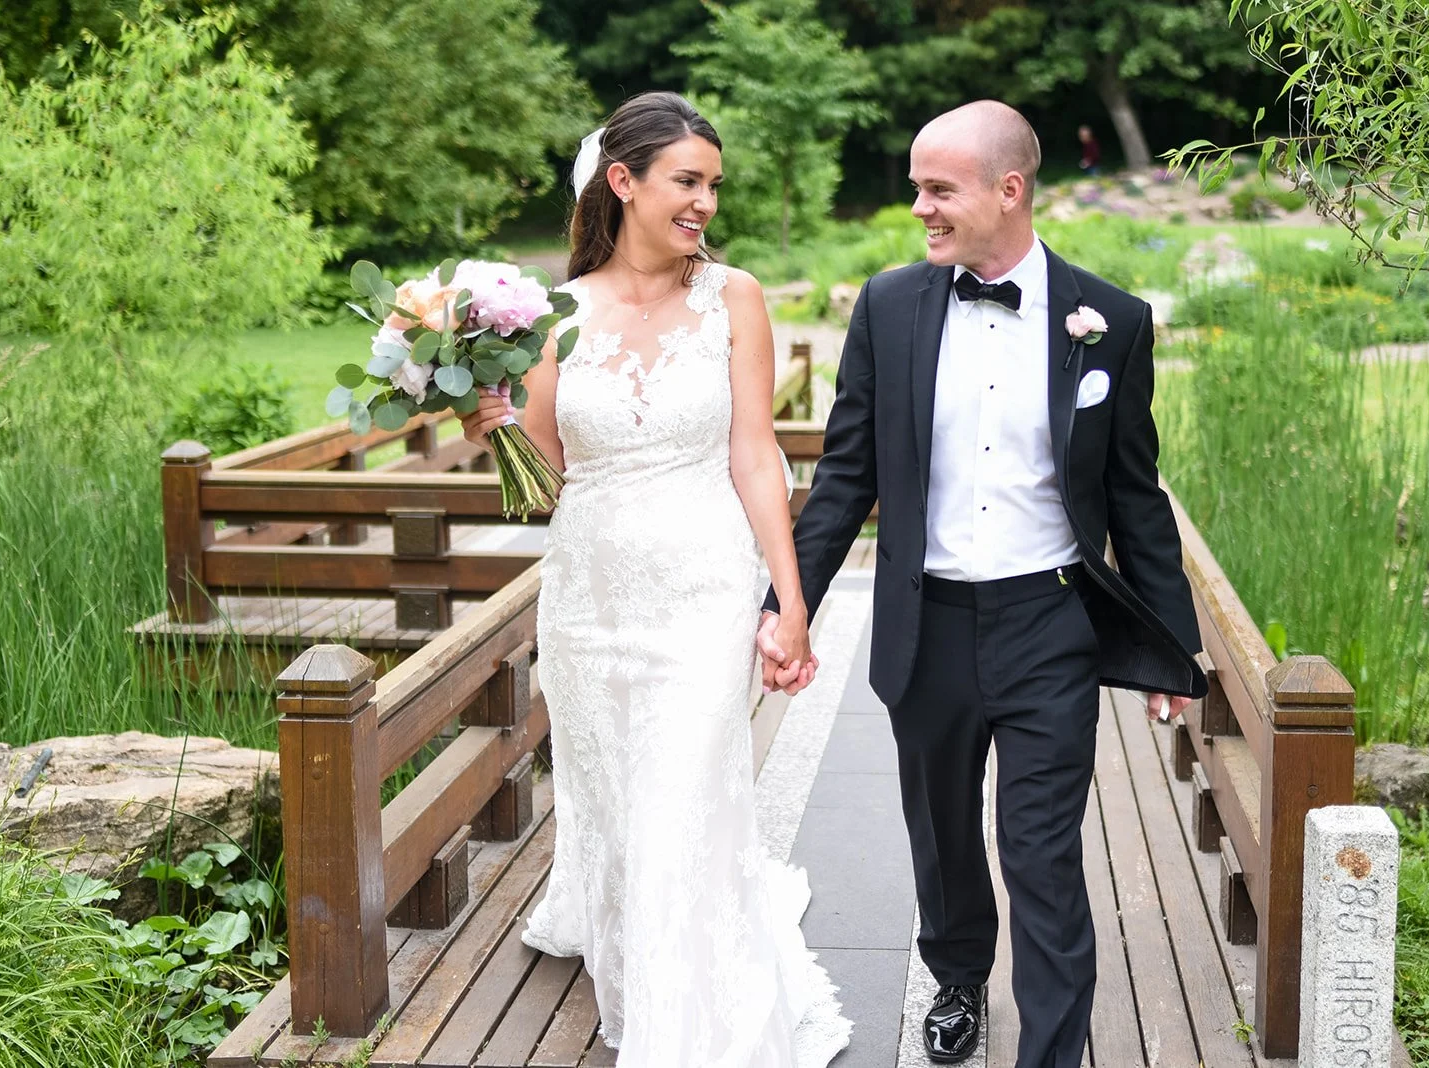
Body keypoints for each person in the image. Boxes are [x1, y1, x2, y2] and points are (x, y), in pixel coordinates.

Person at [759, 101, 1208, 1067]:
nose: (918, 206)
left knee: (1042, 854)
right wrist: (785, 604)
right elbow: (847, 475)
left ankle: (1049, 1052)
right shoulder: (889, 307)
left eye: (937, 188)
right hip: (928, 621)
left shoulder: (1111, 322)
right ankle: (957, 977)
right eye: (918, 186)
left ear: (1009, 191)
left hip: (1052, 623)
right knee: (944, 834)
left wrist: (1175, 646)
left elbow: (1137, 498)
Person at [459, 90, 850, 1067]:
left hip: (702, 587)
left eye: (713, 184)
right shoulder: (554, 318)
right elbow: (543, 479)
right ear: (623, 182)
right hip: (587, 596)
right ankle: (642, 977)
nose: (705, 202)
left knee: (680, 800)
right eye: (688, 180)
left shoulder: (734, 299)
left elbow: (757, 454)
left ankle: (685, 1040)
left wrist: (788, 602)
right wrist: (493, 430)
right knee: (616, 804)